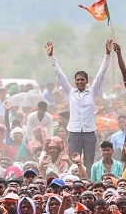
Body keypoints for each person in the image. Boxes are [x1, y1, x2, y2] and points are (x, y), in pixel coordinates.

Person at [47, 38, 111, 169]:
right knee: (74, 162)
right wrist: (51, 57)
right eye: (77, 80)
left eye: (82, 80)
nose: (80, 82)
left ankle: (89, 183)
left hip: (89, 132)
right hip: (74, 132)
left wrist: (107, 55)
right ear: (75, 81)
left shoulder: (92, 92)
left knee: (89, 161)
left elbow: (101, 74)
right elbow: (60, 75)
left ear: (87, 81)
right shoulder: (70, 92)